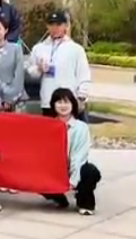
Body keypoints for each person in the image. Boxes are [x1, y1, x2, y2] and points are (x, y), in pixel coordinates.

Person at [43, 88, 101, 216]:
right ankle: (57, 197)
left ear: (72, 104)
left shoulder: (81, 128)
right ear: (53, 105)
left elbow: (79, 157)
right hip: (54, 170)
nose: (63, 106)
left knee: (90, 172)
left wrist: (72, 182)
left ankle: (84, 202)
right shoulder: (47, 126)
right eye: (59, 102)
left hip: (75, 168)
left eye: (66, 102)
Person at [29, 11, 91, 119]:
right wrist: (39, 69)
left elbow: (83, 74)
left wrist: (81, 97)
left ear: (65, 26)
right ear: (47, 26)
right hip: (48, 101)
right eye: (51, 24)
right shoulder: (39, 48)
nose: (55, 28)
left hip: (69, 102)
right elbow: (31, 72)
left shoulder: (76, 49)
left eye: (58, 24)